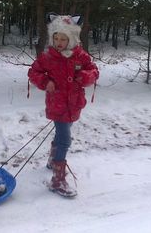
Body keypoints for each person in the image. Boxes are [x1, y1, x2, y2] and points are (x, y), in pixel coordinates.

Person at [28, 13, 99, 197]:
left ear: (72, 39)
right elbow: (34, 72)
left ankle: (53, 160)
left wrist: (84, 77)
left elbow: (93, 71)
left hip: (74, 105)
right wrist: (45, 82)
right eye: (56, 38)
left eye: (63, 39)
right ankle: (57, 179)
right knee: (65, 139)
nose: (59, 42)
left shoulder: (80, 56)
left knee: (62, 133)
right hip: (57, 105)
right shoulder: (48, 57)